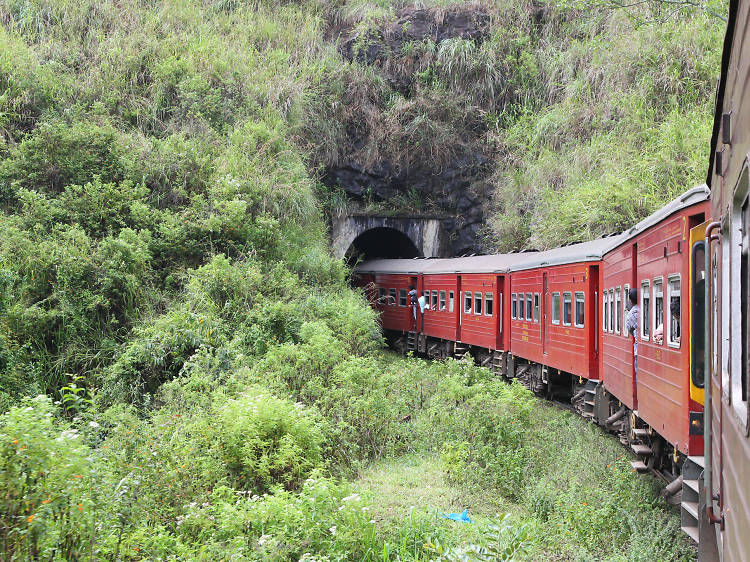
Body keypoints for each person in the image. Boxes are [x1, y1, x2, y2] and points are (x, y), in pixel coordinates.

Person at [625, 288, 639, 379]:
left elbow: (630, 330)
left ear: (630, 300)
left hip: (638, 349)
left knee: (638, 374)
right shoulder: (646, 308)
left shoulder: (631, 314)